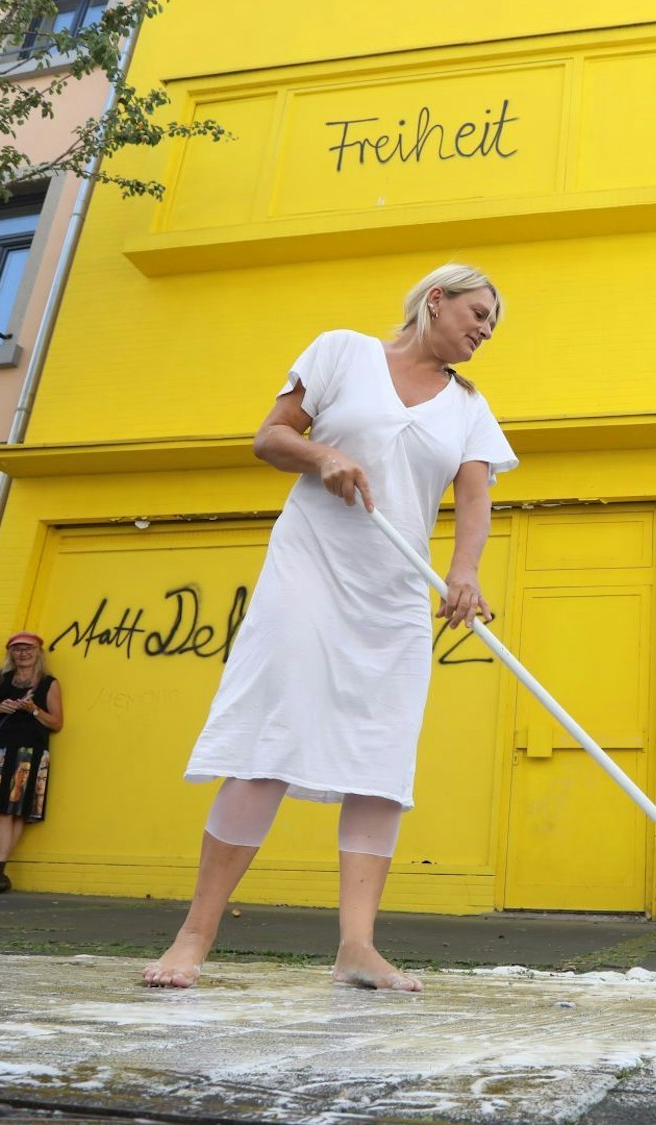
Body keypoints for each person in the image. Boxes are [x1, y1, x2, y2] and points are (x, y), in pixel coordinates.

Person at [142, 264, 517, 990]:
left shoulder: (470, 406)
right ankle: (194, 935)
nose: (484, 330)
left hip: (396, 594)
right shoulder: (343, 352)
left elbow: (475, 505)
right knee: (268, 740)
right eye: (476, 313)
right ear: (434, 300)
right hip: (310, 569)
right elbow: (271, 437)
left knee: (381, 763)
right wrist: (323, 454)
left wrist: (464, 571)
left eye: (492, 325)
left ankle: (357, 947)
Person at [0, 630, 63, 894]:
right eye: (18, 649)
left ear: (38, 653)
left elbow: (56, 723)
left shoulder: (48, 683)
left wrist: (32, 709)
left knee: (19, 811)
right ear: (10, 653)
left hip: (31, 751)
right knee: (0, 809)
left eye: (29, 649)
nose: (23, 653)